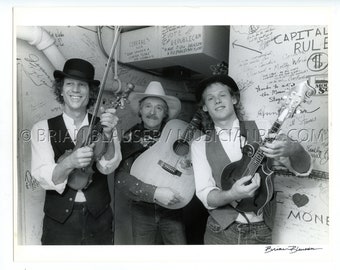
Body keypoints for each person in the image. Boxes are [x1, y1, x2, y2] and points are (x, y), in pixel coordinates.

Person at [191, 75, 312, 245]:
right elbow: (205, 194)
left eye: (222, 95)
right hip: (219, 232)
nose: (217, 101)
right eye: (210, 98)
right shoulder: (199, 144)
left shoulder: (264, 129)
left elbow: (303, 169)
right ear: (204, 107)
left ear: (233, 98)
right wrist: (232, 194)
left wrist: (294, 149)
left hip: (260, 231)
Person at [31, 58, 122, 245]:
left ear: (90, 93)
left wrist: (108, 135)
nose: (75, 90)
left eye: (82, 85)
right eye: (69, 84)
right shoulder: (42, 128)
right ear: (61, 91)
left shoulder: (104, 123)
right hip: (59, 224)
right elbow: (45, 178)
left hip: (100, 219)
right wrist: (70, 162)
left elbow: (107, 167)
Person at [115, 81, 187, 245]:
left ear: (165, 114)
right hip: (142, 209)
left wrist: (187, 165)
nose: (152, 112)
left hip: (173, 206)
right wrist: (153, 192)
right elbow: (121, 178)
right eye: (148, 106)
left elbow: (189, 166)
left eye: (159, 108)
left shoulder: (176, 135)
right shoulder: (129, 137)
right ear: (140, 110)